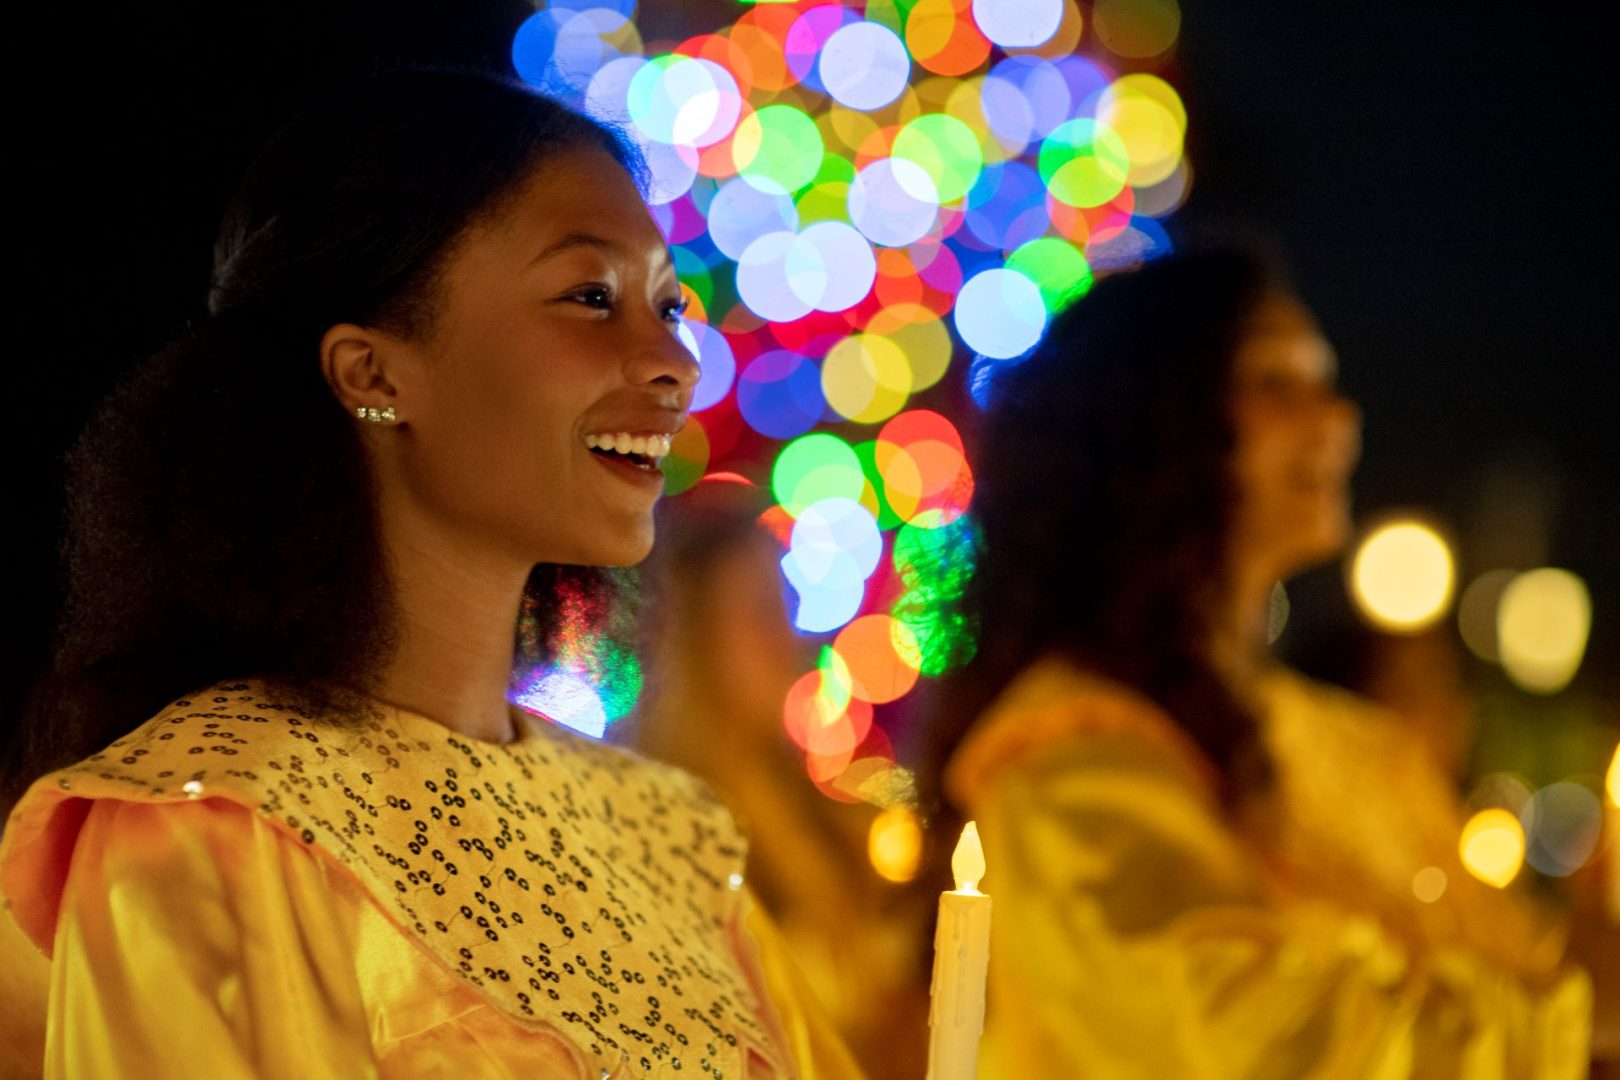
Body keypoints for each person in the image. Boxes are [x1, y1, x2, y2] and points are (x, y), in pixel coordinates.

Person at [0, 70, 859, 1079]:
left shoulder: (671, 838)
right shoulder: (210, 827)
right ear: (374, 373)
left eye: (668, 305)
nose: (674, 361)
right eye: (591, 297)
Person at [926, 247, 1592, 1077]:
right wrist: (1548, 1036)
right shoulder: (1066, 753)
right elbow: (1227, 1039)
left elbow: (1523, 957)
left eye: (1326, 381)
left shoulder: (1355, 745)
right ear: (1147, 424)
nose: (1336, 420)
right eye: (1276, 382)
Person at [629, 480, 931, 1078]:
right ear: (693, 636)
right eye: (760, 612)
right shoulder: (660, 832)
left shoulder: (822, 812)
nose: (786, 640)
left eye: (785, 609)